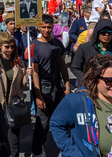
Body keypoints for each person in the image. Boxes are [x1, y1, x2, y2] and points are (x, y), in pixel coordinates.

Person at [50, 54, 112, 157]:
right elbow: (56, 124)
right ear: (95, 78)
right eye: (109, 81)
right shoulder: (76, 101)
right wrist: (72, 152)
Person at [31, 14, 70, 157]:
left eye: (49, 27)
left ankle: (64, 149)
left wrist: (67, 84)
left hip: (57, 87)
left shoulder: (58, 44)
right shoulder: (34, 45)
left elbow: (62, 66)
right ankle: (36, 149)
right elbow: (35, 72)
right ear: (39, 27)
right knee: (43, 123)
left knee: (60, 120)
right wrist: (38, 95)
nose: (46, 30)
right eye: (43, 27)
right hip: (42, 87)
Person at [0, 32, 32, 157]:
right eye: (7, 47)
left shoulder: (17, 60)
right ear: (0, 46)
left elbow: (24, 85)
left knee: (14, 139)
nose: (10, 50)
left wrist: (27, 75)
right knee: (0, 138)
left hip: (15, 106)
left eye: (12, 46)